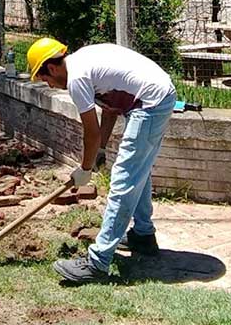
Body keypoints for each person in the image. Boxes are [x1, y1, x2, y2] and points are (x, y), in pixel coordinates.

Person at [27, 37, 176, 284]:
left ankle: (97, 263)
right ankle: (143, 236)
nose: (50, 85)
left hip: (151, 102)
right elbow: (109, 109)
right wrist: (101, 150)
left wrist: (85, 169)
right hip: (156, 96)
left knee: (124, 180)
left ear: (52, 68)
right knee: (139, 171)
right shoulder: (84, 63)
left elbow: (91, 131)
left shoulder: (76, 79)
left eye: (46, 79)